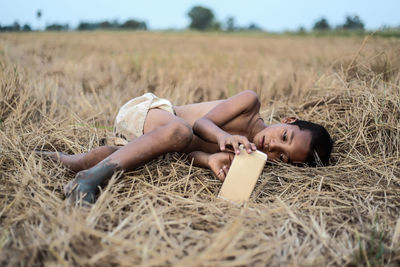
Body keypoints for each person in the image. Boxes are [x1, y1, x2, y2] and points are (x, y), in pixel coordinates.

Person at [40, 90, 333, 204]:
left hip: (153, 141)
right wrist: (222, 138)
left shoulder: (249, 156)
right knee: (180, 131)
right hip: (148, 114)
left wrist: (211, 161)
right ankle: (91, 180)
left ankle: (65, 162)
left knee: (109, 157)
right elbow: (200, 126)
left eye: (281, 156)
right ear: (288, 120)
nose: (273, 147)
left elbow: (191, 154)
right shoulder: (249, 104)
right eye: (284, 137)